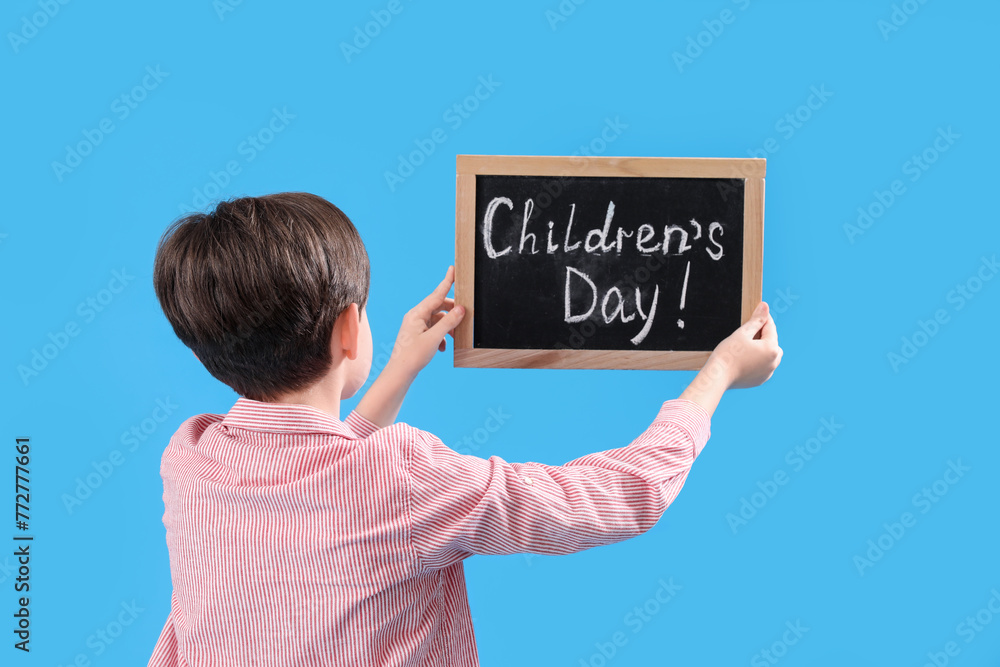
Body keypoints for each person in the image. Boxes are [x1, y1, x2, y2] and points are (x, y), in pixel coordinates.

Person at [148, 192, 782, 666]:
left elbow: (322, 488)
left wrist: (396, 370)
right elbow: (623, 497)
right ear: (349, 329)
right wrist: (718, 374)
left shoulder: (191, 458)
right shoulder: (406, 478)